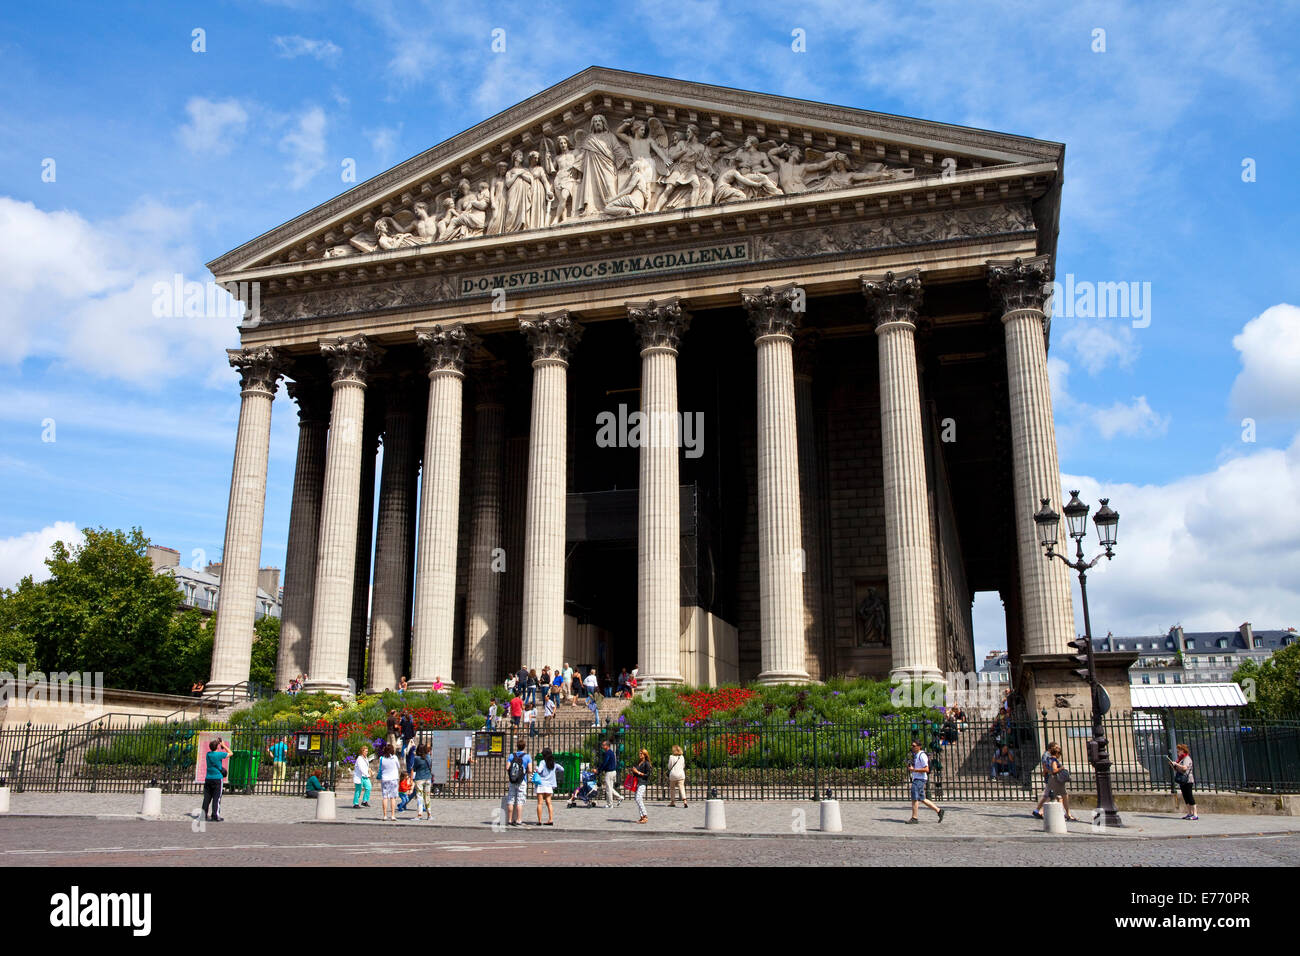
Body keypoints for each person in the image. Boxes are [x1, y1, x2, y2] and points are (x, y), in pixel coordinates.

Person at [1033, 742, 1078, 822]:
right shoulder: (1051, 759)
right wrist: (1061, 768)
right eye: (1056, 748)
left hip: (1051, 779)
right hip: (1054, 780)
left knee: (1049, 796)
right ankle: (1065, 814)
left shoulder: (1050, 758)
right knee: (1061, 796)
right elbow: (1052, 770)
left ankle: (1039, 811)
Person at [907, 740, 945, 824]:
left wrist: (914, 770)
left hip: (919, 779)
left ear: (919, 746)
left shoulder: (922, 755)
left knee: (914, 798)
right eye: (912, 746)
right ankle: (939, 811)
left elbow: (926, 769)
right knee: (922, 799)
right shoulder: (916, 756)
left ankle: (914, 817)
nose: (912, 747)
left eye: (914, 746)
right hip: (917, 778)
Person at [202, 738, 231, 822]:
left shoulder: (208, 754)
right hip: (217, 778)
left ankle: (204, 814)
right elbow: (230, 753)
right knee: (217, 798)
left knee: (206, 798)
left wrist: (217, 743)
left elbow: (213, 749)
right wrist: (223, 745)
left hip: (208, 778)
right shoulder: (219, 755)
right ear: (217, 747)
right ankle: (215, 815)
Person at [1167, 743, 1197, 820]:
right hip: (1183, 780)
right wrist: (1173, 765)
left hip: (1188, 780)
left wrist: (1176, 764)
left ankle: (1195, 814)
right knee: (1185, 797)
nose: (1177, 752)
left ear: (1183, 751)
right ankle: (1189, 813)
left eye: (1179, 751)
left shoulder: (1187, 758)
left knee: (1190, 796)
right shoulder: (1181, 759)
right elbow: (1178, 769)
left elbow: (1184, 768)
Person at [505, 739, 532, 827]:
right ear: (524, 746)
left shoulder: (511, 755)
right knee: (520, 801)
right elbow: (530, 770)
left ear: (517, 746)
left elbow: (507, 767)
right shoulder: (527, 757)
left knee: (511, 799)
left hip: (512, 780)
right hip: (522, 780)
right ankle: (519, 820)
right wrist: (523, 772)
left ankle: (509, 820)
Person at [533, 747, 560, 825]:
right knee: (549, 803)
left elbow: (539, 770)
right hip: (549, 785)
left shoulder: (542, 762)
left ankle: (539, 821)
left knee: (540, 803)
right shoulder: (553, 763)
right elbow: (562, 769)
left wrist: (536, 768)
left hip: (541, 785)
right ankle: (550, 819)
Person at [378, 743, 402, 822]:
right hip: (393, 778)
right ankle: (392, 815)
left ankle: (385, 815)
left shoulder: (381, 758)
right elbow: (398, 766)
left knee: (385, 797)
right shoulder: (394, 757)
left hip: (385, 778)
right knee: (393, 797)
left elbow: (381, 768)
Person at [629, 748, 652, 823]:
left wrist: (638, 772)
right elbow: (635, 771)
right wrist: (633, 771)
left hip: (643, 783)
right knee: (637, 799)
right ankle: (641, 816)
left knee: (638, 798)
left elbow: (647, 775)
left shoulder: (647, 763)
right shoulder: (638, 762)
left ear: (645, 755)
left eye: (641, 753)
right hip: (637, 782)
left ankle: (645, 816)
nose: (639, 755)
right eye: (639, 753)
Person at [411, 743, 433, 820]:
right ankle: (429, 814)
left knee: (419, 797)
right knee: (427, 797)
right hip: (428, 778)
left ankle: (419, 814)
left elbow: (414, 768)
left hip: (419, 778)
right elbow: (430, 765)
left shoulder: (417, 758)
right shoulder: (428, 757)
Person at [598, 739, 622, 809]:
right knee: (610, 788)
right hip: (613, 772)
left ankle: (610, 804)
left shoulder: (607, 753)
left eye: (603, 745)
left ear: (607, 746)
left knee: (608, 789)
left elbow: (605, 762)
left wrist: (599, 770)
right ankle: (619, 797)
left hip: (609, 772)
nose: (602, 746)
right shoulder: (611, 752)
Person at [352, 744, 373, 808]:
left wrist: (369, 771)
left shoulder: (366, 758)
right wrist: (367, 774)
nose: (367, 752)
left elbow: (366, 767)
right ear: (362, 751)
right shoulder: (359, 758)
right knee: (358, 790)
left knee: (369, 787)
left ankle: (364, 801)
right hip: (360, 776)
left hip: (365, 776)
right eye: (365, 751)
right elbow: (361, 768)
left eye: (367, 751)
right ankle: (355, 803)